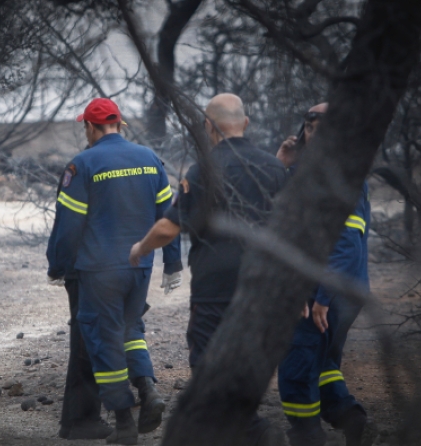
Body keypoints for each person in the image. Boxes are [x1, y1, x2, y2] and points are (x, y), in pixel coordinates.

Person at [129, 93, 288, 446]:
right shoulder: (275, 168)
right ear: (245, 123)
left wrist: (140, 248)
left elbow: (170, 227)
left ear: (208, 127)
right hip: (263, 286)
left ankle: (254, 432)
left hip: (215, 288)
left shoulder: (204, 170)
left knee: (206, 366)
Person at [46, 98, 174, 445]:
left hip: (99, 272)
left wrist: (57, 266)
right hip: (140, 266)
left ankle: (123, 423)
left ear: (89, 127)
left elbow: (68, 228)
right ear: (121, 125)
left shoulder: (84, 163)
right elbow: (170, 216)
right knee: (130, 330)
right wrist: (173, 263)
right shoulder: (149, 159)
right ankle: (147, 391)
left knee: (104, 343)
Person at [275, 103, 374, 446]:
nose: (312, 134)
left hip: (326, 292)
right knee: (324, 362)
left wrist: (321, 299)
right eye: (309, 127)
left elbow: (345, 242)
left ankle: (307, 436)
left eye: (322, 129)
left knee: (296, 368)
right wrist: (281, 165)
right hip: (339, 292)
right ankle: (352, 419)